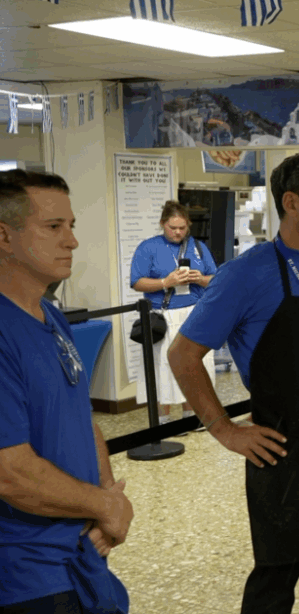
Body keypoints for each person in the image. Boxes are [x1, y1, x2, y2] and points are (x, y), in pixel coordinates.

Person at [168, 153, 299, 614]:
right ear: (291, 202)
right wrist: (224, 429)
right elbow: (182, 355)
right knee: (277, 576)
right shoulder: (245, 274)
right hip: (286, 452)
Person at [0, 170, 132, 614]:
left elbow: (81, 417)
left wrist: (107, 497)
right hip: (24, 573)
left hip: (80, 555)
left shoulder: (51, 317)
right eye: (53, 227)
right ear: (4, 236)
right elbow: (9, 472)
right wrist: (105, 505)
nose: (72, 241)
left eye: (71, 226)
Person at [129, 200, 217, 426]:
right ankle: (164, 420)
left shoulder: (198, 247)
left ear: (188, 225)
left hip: (194, 313)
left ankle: (190, 417)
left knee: (194, 366)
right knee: (163, 367)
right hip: (163, 315)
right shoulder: (148, 247)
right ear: (162, 224)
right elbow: (136, 282)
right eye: (173, 228)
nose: (178, 232)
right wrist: (165, 282)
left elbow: (215, 279)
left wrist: (201, 279)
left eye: (182, 228)